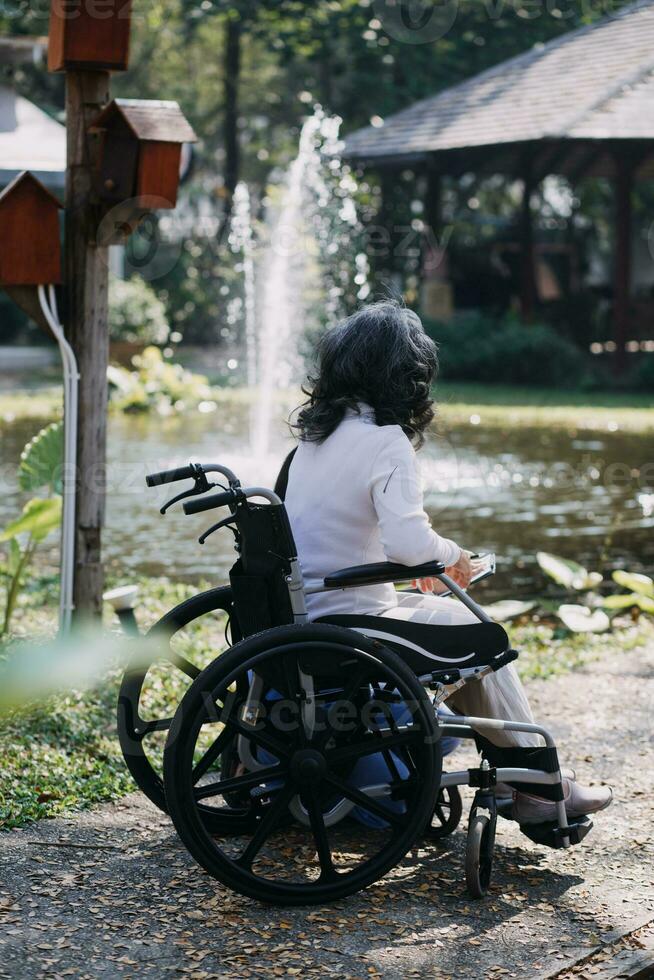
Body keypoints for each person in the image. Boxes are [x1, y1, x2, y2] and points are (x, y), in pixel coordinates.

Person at [284, 299, 612, 826]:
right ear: (405, 374)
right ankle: (536, 785)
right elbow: (412, 545)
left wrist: (412, 566)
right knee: (483, 632)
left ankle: (528, 781)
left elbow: (345, 537)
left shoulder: (313, 440)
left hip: (313, 609)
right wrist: (455, 557)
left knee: (467, 627)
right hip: (347, 621)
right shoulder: (385, 441)